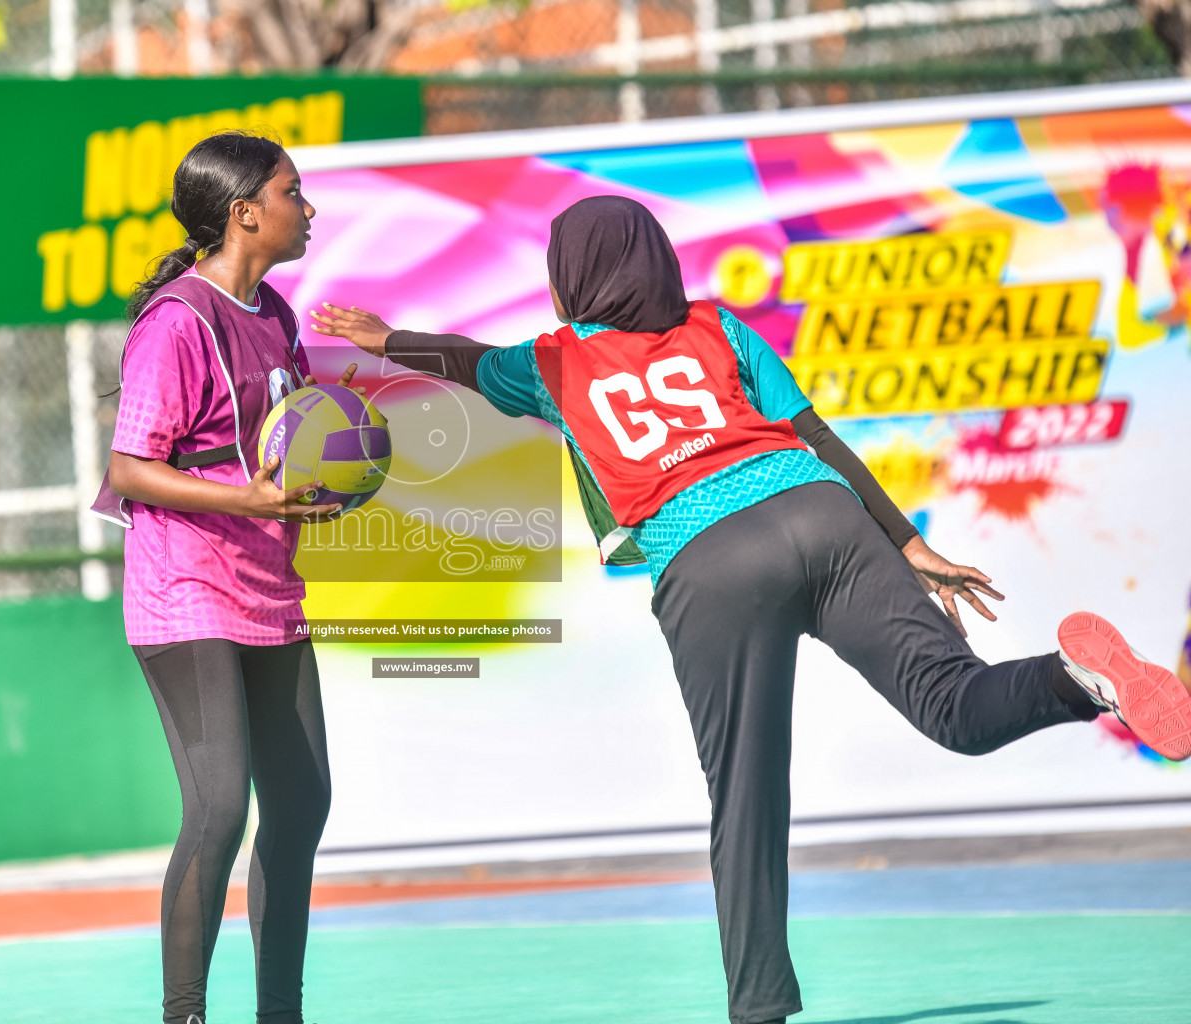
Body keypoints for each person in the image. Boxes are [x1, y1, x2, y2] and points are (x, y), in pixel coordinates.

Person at [309, 194, 1191, 1024]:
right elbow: (816, 436)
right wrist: (910, 544)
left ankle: (759, 1009)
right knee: (955, 705)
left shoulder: (552, 361)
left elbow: (465, 362)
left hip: (710, 554)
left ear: (569, 275)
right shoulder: (717, 324)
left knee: (747, 797)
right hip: (822, 510)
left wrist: (389, 341)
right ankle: (1079, 682)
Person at [103, 132, 354, 1024]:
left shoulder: (275, 314)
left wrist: (328, 481)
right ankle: (185, 1014)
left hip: (264, 583)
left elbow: (287, 442)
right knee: (219, 809)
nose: (308, 206)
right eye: (295, 191)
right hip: (185, 589)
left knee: (304, 798)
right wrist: (251, 499)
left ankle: (278, 1013)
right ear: (246, 210)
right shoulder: (178, 321)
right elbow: (132, 469)